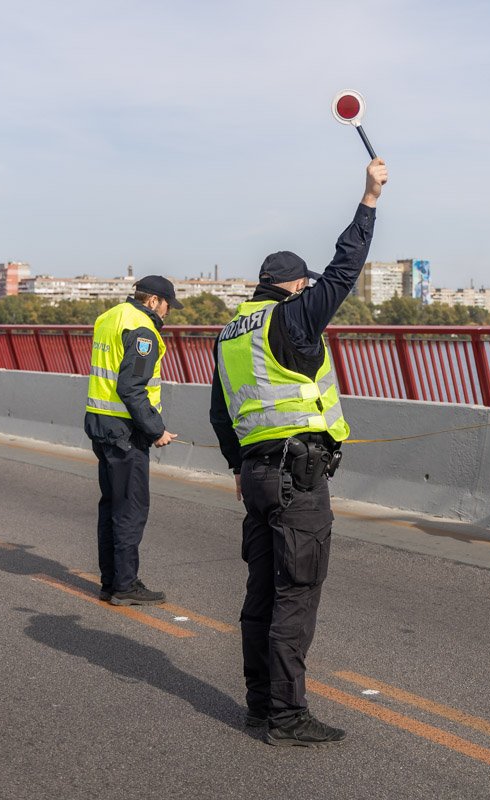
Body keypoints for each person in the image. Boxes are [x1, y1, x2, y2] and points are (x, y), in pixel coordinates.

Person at [209, 158, 388, 747]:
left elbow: (221, 412)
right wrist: (368, 200)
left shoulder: (234, 332)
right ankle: (288, 717)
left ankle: (260, 706)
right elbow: (343, 273)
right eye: (304, 284)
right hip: (298, 479)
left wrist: (239, 468)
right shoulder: (293, 317)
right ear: (293, 286)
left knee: (261, 592)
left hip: (257, 476)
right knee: (296, 595)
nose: (311, 289)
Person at [84, 275, 180, 605]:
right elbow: (131, 387)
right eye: (168, 305)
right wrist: (156, 429)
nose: (168, 313)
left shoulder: (108, 317)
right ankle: (125, 584)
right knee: (131, 507)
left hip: (100, 423)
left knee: (111, 504)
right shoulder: (142, 329)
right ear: (153, 300)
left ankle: (110, 581)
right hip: (126, 431)